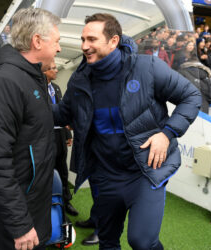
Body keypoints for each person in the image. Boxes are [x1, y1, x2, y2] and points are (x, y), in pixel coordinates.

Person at [52, 13, 201, 249]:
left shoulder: (146, 67)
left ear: (113, 41)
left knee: (141, 241)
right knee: (108, 241)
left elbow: (191, 96)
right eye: (82, 40)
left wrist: (167, 134)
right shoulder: (80, 79)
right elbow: (60, 114)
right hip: (105, 176)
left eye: (91, 39)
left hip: (144, 172)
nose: (84, 46)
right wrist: (26, 100)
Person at [0, 8, 61, 250]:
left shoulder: (34, 77)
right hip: (7, 220)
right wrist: (19, 224)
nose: (59, 48)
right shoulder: (3, 81)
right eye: (56, 41)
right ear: (37, 41)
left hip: (30, 205)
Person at [43, 61, 78, 216]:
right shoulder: (36, 89)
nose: (57, 70)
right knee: (47, 171)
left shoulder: (56, 88)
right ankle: (49, 204)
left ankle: (65, 201)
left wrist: (67, 134)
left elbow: (63, 112)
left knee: (62, 170)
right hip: (45, 137)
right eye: (53, 68)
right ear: (44, 72)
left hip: (59, 136)